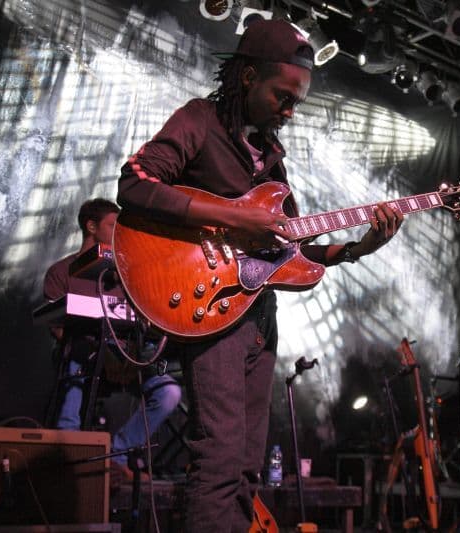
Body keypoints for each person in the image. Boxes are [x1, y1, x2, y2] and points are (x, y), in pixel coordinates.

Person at [115, 18, 403, 532]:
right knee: (219, 459)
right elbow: (134, 184)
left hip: (258, 316)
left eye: (297, 102)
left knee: (248, 466)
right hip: (209, 308)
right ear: (249, 76)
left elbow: (294, 251)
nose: (290, 111)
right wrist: (233, 216)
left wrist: (361, 247)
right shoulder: (199, 120)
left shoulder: (273, 162)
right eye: (283, 96)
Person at [43, 198, 182, 481]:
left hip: (125, 357)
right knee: (75, 357)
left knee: (169, 393)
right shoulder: (61, 272)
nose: (119, 232)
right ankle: (70, 456)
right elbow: (56, 327)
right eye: (112, 225)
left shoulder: (125, 276)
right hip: (85, 355)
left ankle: (114, 455)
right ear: (91, 227)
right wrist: (91, 344)